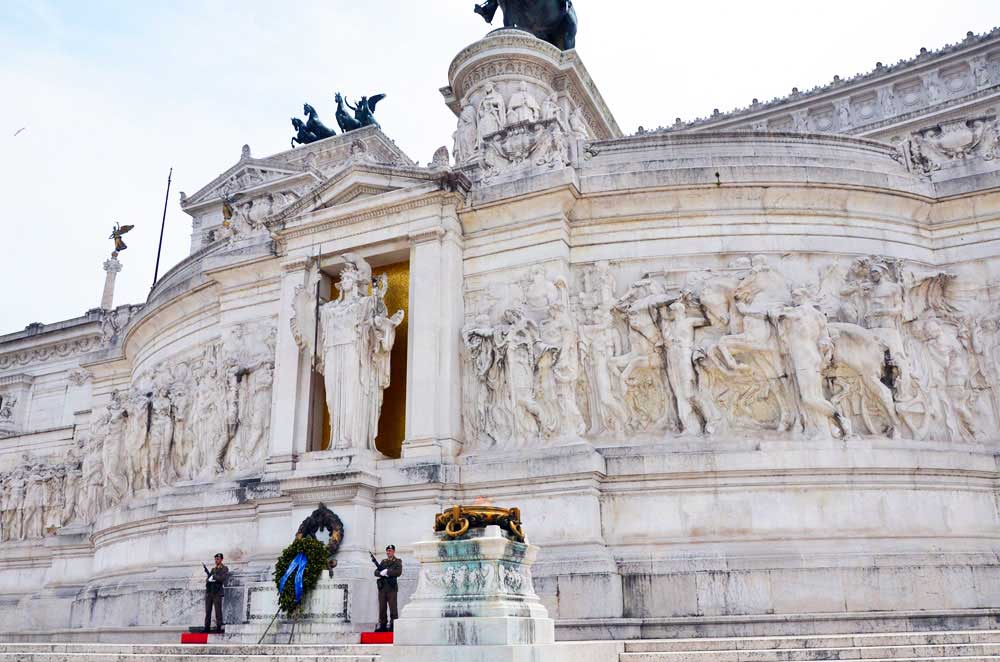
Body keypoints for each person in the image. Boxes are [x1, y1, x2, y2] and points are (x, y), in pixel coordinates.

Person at [373, 544, 403, 632]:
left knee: (393, 607)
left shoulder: (397, 561)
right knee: (382, 607)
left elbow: (398, 572)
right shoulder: (383, 562)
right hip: (382, 588)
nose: (388, 552)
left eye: (390, 551)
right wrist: (380, 573)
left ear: (393, 551)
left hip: (391, 588)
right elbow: (376, 572)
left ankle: (393, 625)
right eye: (387, 551)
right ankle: (383, 625)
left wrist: (388, 572)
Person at [204, 553, 230, 633]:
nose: (216, 561)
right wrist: (209, 579)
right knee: (208, 611)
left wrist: (214, 577)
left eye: (218, 559)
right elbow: (208, 579)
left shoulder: (224, 568)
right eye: (215, 559)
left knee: (218, 611)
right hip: (210, 592)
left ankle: (219, 627)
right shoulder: (213, 569)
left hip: (217, 592)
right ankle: (207, 627)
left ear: (221, 559)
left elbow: (222, 578)